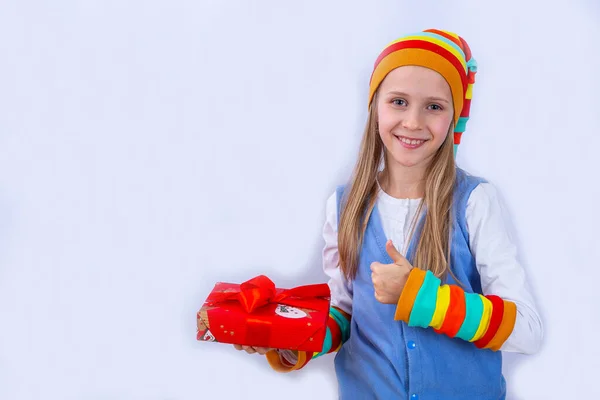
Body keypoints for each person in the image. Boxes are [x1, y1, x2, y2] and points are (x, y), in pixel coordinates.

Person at [234, 28, 543, 399]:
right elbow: (345, 314)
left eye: (434, 106)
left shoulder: (475, 203)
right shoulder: (344, 206)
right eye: (398, 102)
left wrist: (424, 297)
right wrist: (286, 341)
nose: (413, 122)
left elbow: (527, 330)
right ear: (375, 106)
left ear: (454, 117)